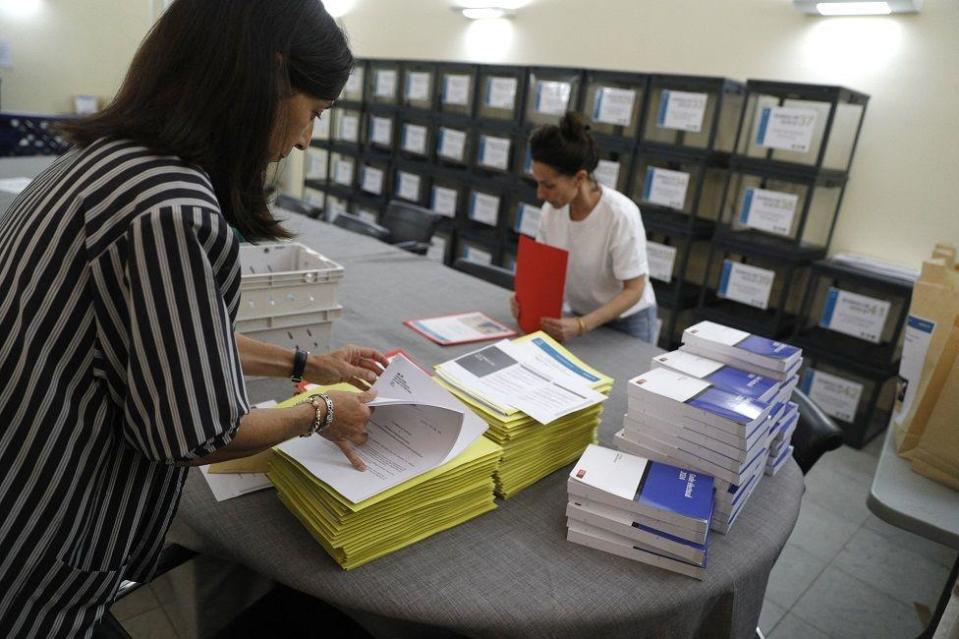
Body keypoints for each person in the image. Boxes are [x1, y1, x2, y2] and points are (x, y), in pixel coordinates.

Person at [0, 1, 386, 636]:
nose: (304, 139)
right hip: (36, 550)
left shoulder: (108, 164)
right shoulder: (173, 209)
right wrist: (319, 410)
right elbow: (197, 433)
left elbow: (168, 341)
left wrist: (307, 364)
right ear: (271, 76)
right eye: (312, 113)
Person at [511, 112, 658, 344]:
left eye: (548, 185)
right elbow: (544, 270)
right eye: (537, 183)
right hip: (579, 315)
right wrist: (523, 299)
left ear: (579, 179)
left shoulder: (620, 215)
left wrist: (582, 325)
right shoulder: (552, 211)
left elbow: (634, 289)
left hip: (627, 321)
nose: (540, 194)